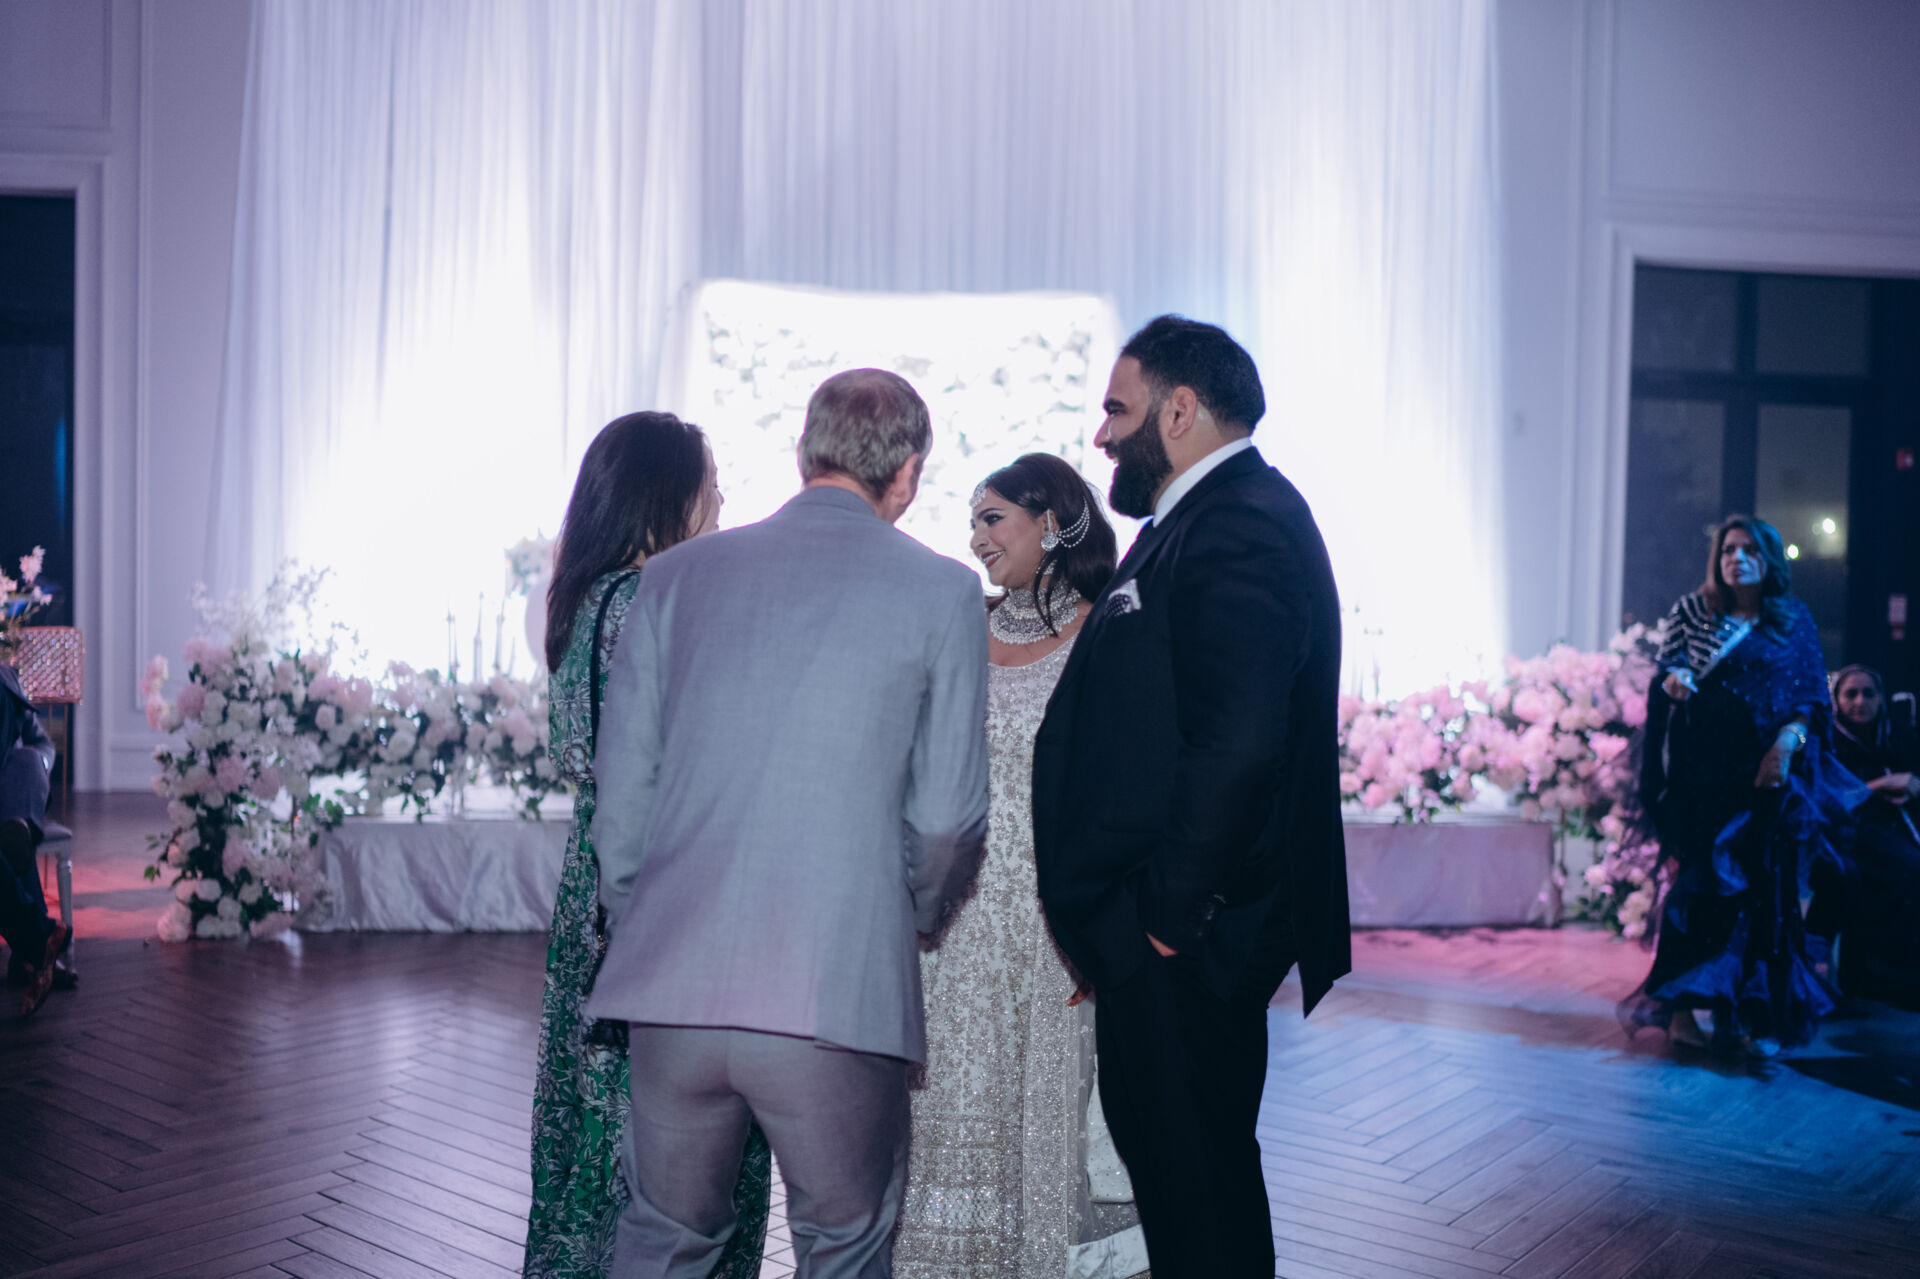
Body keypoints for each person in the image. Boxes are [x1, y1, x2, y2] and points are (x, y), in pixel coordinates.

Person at [585, 369, 990, 1278]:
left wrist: (645, 920)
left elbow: (624, 796)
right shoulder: (941, 590)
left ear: (804, 450)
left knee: (664, 1235)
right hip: (834, 985)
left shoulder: (677, 577)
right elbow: (946, 817)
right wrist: (915, 915)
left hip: (672, 984)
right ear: (909, 471)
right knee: (843, 1245)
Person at [1032, 316, 1349, 1278]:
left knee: (1199, 1198)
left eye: (1116, 410)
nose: (1101, 436)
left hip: (1188, 945)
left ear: (1178, 410)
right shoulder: (1197, 519)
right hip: (1170, 940)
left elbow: (1239, 742)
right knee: (1184, 1188)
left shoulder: (1240, 521)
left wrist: (1161, 923)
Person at [525, 412, 771, 1279]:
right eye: (712, 486)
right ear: (666, 496)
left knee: (596, 1124)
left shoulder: (581, 601)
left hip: (595, 882)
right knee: (677, 1145)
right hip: (667, 887)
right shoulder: (654, 604)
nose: (723, 503)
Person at [893, 453, 1146, 1279]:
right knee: (943, 1094)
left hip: (1048, 919)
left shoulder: (1104, 632)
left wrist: (1097, 926)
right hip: (952, 913)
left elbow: (1121, 791)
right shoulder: (961, 626)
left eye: (992, 518)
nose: (977, 538)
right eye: (972, 521)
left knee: (1037, 1099)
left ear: (1051, 521)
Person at [1628, 515, 1865, 1057]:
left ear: (1769, 560)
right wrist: (1674, 680)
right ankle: (1682, 1010)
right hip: (1702, 775)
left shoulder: (1793, 622)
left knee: (1761, 894)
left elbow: (1811, 702)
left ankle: (1742, 1012)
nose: (1736, 559)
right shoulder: (1695, 611)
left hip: (1766, 774)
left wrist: (1784, 747)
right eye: (1728, 550)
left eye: (1748, 550)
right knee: (1698, 889)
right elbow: (1668, 671)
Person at [1817, 664, 1920, 1006]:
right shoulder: (1825, 740)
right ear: (1837, 700)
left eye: (1868, 693)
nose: (1860, 702)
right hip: (1838, 837)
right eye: (1851, 694)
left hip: (1891, 832)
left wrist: (1912, 787)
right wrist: (1880, 785)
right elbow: (1825, 798)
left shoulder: (1895, 736)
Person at [2, 660, 68, 1018]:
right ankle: (36, 948)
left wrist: (32, 765)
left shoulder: (5, 677)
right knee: (11, 840)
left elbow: (42, 745)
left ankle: (34, 949)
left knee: (28, 759)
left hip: (13, 785)